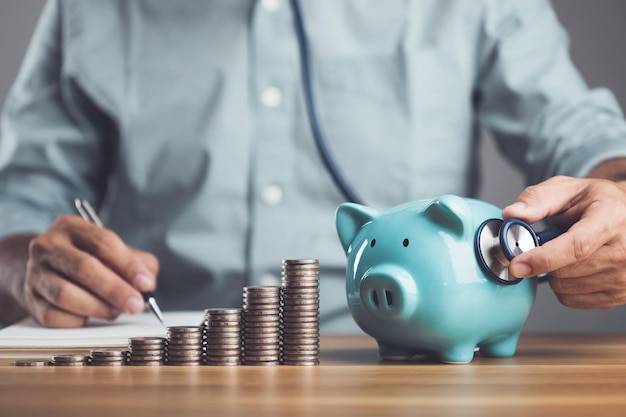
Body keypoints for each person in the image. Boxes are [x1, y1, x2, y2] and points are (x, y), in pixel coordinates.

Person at [1, 0, 626, 331]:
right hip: (171, 367)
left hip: (407, 380)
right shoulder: (91, 6)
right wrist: (30, 272)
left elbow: (581, 134)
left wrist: (615, 201)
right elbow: (20, 206)